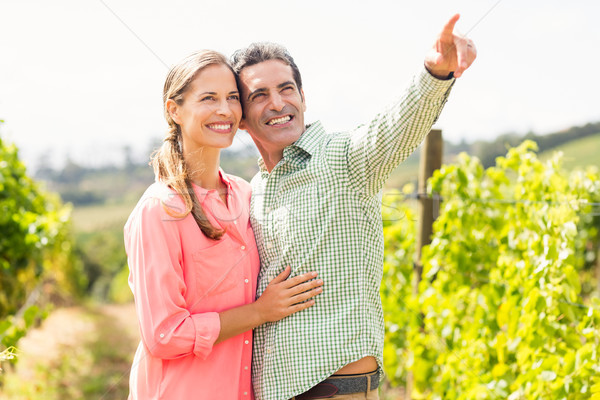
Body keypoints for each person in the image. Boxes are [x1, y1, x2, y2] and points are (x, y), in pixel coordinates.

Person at [231, 14, 476, 400]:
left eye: (287, 88)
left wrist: (435, 74)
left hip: (337, 390)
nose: (278, 103)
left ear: (303, 97)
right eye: (259, 95)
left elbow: (395, 126)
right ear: (242, 118)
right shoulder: (255, 191)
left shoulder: (343, 158)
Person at [123, 50, 324, 400]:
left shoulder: (245, 195)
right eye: (209, 98)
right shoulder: (159, 211)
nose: (225, 110)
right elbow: (164, 334)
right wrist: (260, 312)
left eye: (232, 98)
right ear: (174, 110)